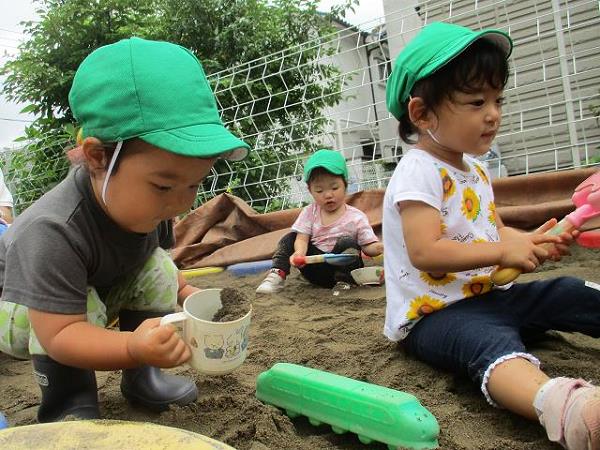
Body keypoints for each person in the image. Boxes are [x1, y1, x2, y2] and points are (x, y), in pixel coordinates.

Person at [0, 37, 250, 423]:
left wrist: (192, 297)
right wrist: (134, 345)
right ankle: (68, 401)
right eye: (165, 186)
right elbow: (61, 334)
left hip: (92, 295)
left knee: (160, 267)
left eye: (195, 184)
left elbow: (163, 272)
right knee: (84, 308)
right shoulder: (53, 228)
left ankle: (143, 379)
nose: (182, 203)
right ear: (99, 157)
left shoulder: (149, 209)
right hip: (26, 315)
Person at [382, 22, 599, 450]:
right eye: (476, 101)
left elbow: (491, 228)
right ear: (422, 114)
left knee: (567, 292)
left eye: (498, 99)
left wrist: (529, 241)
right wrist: (504, 248)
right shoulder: (418, 171)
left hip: (491, 295)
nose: (494, 113)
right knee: (491, 345)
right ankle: (563, 405)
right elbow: (425, 251)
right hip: (437, 315)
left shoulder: (475, 168)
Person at [256, 149, 383, 294]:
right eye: (319, 190)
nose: (328, 195)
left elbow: (367, 247)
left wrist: (380, 248)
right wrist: (299, 253)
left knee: (347, 242)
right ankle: (277, 274)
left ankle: (344, 284)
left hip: (345, 270)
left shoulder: (356, 217)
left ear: (345, 186)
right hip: (315, 269)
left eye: (334, 187)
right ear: (310, 191)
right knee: (289, 238)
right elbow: (302, 239)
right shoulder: (310, 213)